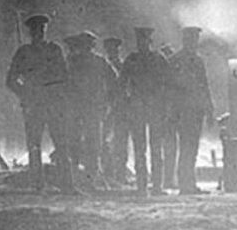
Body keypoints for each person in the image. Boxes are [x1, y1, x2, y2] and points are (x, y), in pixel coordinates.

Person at [5, 14, 76, 193]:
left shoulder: (54, 50)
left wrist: (59, 96)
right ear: (31, 32)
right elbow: (11, 80)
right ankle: (37, 186)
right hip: (33, 105)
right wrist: (24, 93)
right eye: (36, 30)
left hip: (53, 104)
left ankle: (67, 185)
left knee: (61, 144)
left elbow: (65, 77)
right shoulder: (23, 52)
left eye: (42, 29)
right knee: (34, 146)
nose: (40, 32)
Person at [122, 26, 172, 196]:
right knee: (140, 148)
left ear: (149, 42)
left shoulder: (159, 59)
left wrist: (166, 107)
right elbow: (122, 85)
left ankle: (157, 186)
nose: (141, 44)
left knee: (156, 148)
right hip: (139, 108)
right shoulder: (132, 60)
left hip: (154, 108)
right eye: (139, 41)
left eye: (144, 41)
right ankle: (142, 185)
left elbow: (169, 86)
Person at [65, 31, 119, 187]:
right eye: (83, 45)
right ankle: (79, 178)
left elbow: (114, 84)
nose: (85, 48)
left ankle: (87, 179)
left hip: (91, 109)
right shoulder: (72, 62)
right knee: (80, 143)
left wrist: (107, 104)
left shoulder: (97, 62)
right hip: (78, 108)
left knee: (91, 144)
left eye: (87, 45)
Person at [169, 26, 215, 194]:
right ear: (186, 40)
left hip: (194, 111)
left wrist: (209, 111)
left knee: (191, 148)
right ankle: (185, 185)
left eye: (196, 40)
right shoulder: (176, 60)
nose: (195, 43)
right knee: (187, 148)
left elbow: (204, 87)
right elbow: (169, 88)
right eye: (193, 39)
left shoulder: (196, 60)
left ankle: (188, 184)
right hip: (183, 112)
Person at [101, 36, 129, 182]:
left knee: (121, 142)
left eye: (115, 50)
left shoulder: (124, 66)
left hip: (121, 109)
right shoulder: (102, 66)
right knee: (103, 140)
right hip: (105, 108)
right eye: (110, 50)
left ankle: (121, 174)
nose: (113, 52)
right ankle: (108, 172)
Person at [158, 42, 179, 190]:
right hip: (162, 115)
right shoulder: (161, 76)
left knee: (170, 149)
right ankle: (165, 180)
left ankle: (168, 179)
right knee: (164, 149)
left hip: (171, 116)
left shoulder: (172, 76)